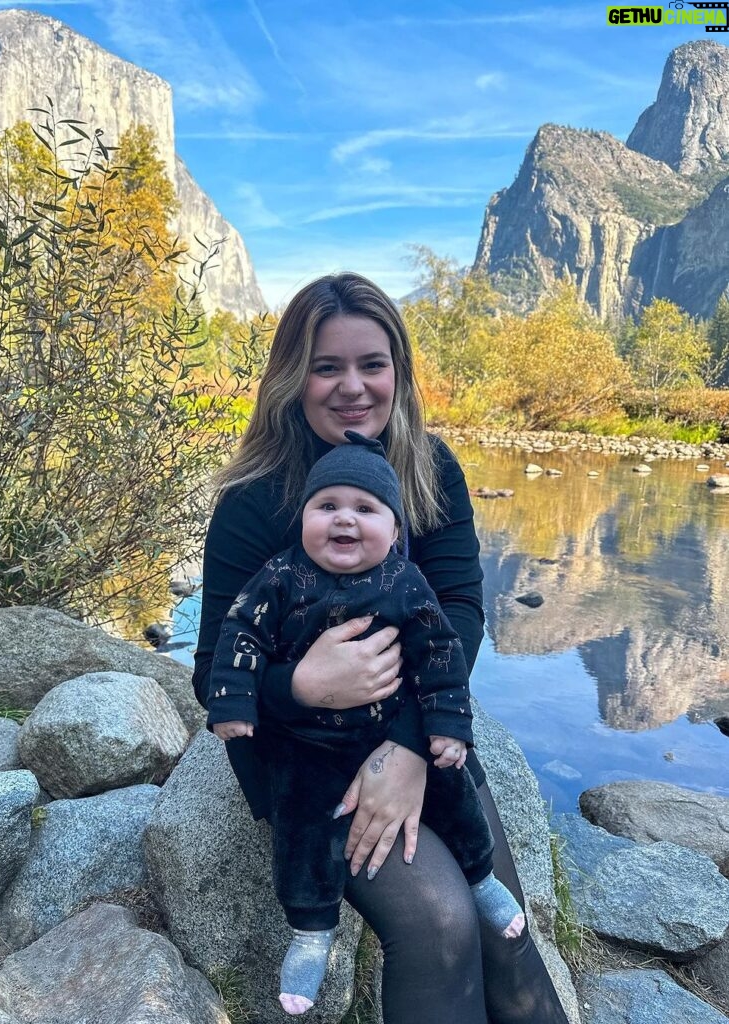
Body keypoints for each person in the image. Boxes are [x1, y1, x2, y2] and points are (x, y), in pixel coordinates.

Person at [193, 271, 570, 1024]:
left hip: (421, 734)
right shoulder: (255, 497)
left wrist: (403, 746)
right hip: (298, 751)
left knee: (507, 933)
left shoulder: (430, 470)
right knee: (438, 923)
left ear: (398, 370)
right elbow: (213, 669)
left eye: (372, 364)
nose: (351, 387)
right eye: (325, 367)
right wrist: (300, 684)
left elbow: (460, 609)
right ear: (292, 379)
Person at [207, 431, 524, 1015]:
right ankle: (311, 933)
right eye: (326, 507)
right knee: (414, 905)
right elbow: (231, 645)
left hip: (408, 728)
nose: (343, 521)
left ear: (396, 530)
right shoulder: (279, 570)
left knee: (495, 905)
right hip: (306, 748)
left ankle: (485, 885)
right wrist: (290, 686)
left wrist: (427, 738)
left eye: (364, 509)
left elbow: (445, 643)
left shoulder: (405, 579)